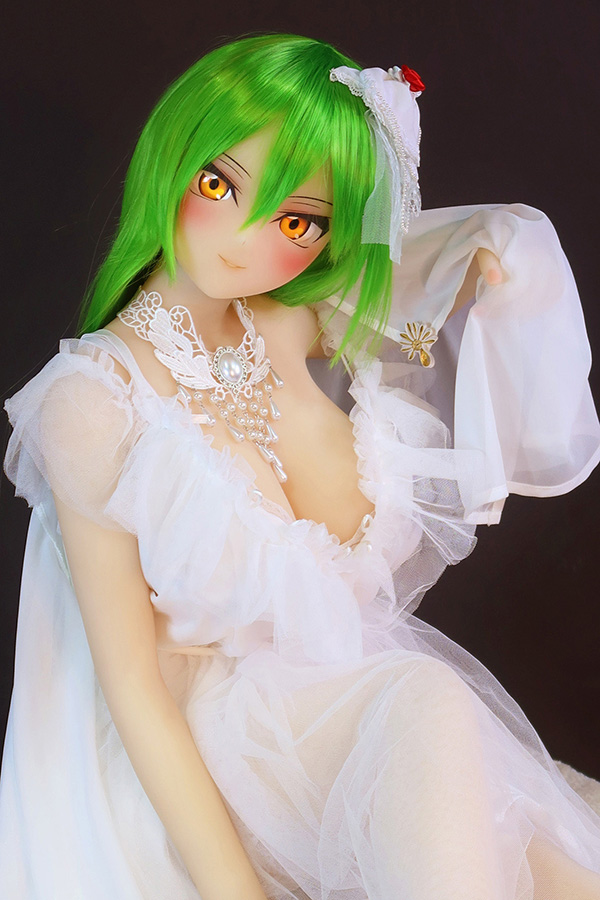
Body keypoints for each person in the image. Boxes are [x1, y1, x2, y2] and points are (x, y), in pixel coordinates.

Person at [1, 31, 599, 900]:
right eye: (219, 185)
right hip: (205, 764)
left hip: (334, 726)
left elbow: (408, 292)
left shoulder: (281, 323)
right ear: (172, 157)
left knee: (559, 868)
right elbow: (131, 688)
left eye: (295, 222)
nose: (246, 239)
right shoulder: (95, 403)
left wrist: (476, 255)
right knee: (428, 705)